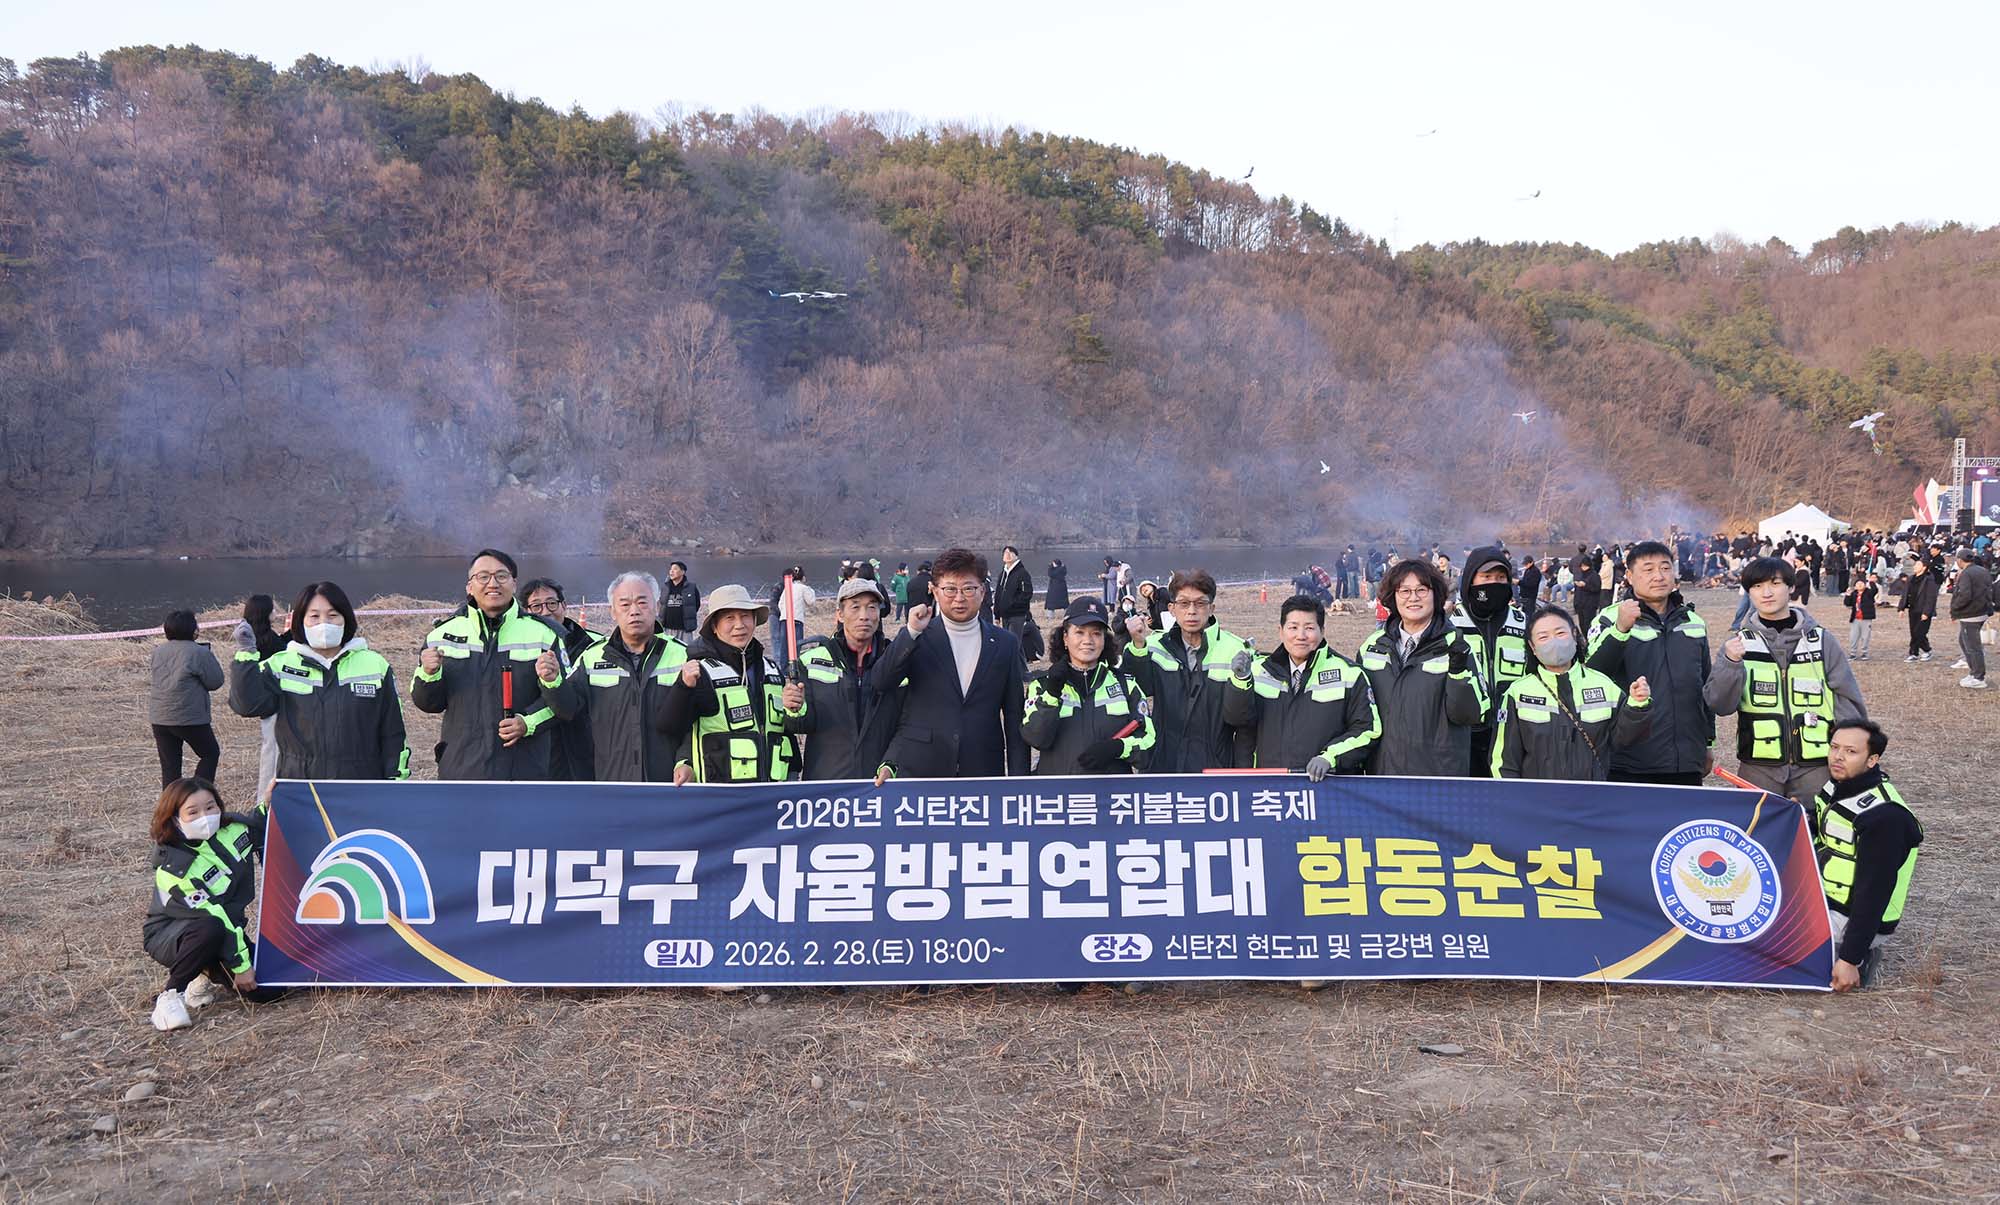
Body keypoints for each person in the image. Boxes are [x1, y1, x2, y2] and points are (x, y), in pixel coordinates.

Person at [1705, 557, 1866, 802]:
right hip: (1757, 769)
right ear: (1748, 592)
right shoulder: (1737, 644)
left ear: (1791, 587)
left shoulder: (1822, 641)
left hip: (1816, 769)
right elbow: (1720, 705)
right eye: (1757, 586)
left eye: (1775, 583)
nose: (1766, 593)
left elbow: (1848, 700)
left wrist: (1850, 756)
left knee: (1816, 834)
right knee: (1759, 833)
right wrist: (1731, 663)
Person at [869, 547, 1031, 782]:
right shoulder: (918, 638)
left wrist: (1019, 780)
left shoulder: (1005, 643)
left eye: (968, 588)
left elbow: (1015, 716)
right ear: (934, 591)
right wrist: (911, 631)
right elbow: (881, 681)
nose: (959, 598)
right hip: (922, 766)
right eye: (949, 589)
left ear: (983, 591)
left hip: (983, 766)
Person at [227, 581, 410, 781]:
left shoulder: (374, 665)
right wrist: (246, 655)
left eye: (333, 615)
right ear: (301, 622)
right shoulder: (280, 665)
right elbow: (247, 705)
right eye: (314, 616)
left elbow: (393, 731)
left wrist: (395, 782)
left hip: (361, 785)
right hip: (300, 786)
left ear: (346, 619)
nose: (324, 624)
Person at [410, 549, 566, 781]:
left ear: (514, 584)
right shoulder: (441, 635)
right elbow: (428, 703)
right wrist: (429, 674)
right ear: (469, 587)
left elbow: (567, 703)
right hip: (460, 772)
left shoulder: (545, 634)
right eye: (483, 577)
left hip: (524, 772)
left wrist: (527, 722)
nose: (492, 583)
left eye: (501, 576)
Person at [143, 778, 283, 1031]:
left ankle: (206, 968)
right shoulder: (173, 866)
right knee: (211, 928)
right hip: (173, 934)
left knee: (271, 990)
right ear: (175, 818)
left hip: (223, 930)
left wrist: (268, 803)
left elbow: (260, 825)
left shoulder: (232, 831)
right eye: (193, 812)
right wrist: (241, 966)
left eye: (210, 807)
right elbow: (214, 914)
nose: (205, 816)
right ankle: (171, 996)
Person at [537, 572, 690, 783]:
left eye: (642, 602)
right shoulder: (592, 658)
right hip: (612, 781)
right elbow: (568, 709)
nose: (634, 611)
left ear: (656, 606)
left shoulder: (683, 656)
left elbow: (698, 720)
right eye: (625, 605)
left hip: (670, 783)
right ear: (613, 612)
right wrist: (552, 681)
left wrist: (686, 760)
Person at [1583, 541, 1714, 786]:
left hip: (1685, 761)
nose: (1659, 576)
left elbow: (1704, 687)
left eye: (1665, 568)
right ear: (1630, 577)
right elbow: (1590, 677)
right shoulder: (1609, 619)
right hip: (1629, 761)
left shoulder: (1693, 622)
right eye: (1648, 569)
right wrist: (1621, 629)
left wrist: (1706, 743)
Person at [1811, 719, 1922, 991]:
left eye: (1850, 751)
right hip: (1826, 896)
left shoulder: (1885, 817)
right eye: (1834, 747)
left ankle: (1862, 957)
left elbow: (1873, 893)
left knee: (1772, 939)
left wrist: (1850, 958)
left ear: (1872, 760)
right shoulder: (1838, 785)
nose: (1838, 756)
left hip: (1853, 916)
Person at [1222, 594, 1378, 778]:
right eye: (1293, 627)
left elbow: (1368, 729)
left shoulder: (1349, 674)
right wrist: (1241, 680)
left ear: (1322, 630)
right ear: (1280, 631)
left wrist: (1330, 757)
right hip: (1269, 787)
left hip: (1326, 789)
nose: (1301, 636)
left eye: (1309, 628)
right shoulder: (1257, 672)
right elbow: (1237, 719)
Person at [663, 585, 805, 784]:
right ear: (714, 626)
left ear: (755, 620)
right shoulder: (699, 671)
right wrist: (683, 687)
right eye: (729, 618)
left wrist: (796, 709)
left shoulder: (773, 670)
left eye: (745, 616)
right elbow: (673, 727)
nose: (739, 625)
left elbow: (787, 731)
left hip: (774, 793)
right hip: (722, 796)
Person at [1356, 560, 1486, 776]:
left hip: (1437, 777)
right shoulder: (1371, 647)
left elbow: (1470, 715)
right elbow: (1358, 714)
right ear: (1393, 596)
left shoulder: (1456, 646)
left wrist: (1459, 672)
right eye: (1404, 591)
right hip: (1381, 774)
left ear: (1436, 595)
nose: (1413, 598)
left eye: (1422, 590)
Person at [1493, 607, 1651, 780]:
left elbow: (1623, 739)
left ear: (1574, 635)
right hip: (1537, 800)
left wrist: (1637, 704)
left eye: (1560, 633)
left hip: (1592, 796)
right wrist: (1509, 798)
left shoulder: (1604, 685)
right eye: (1543, 637)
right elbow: (1504, 759)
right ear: (1533, 647)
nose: (1554, 642)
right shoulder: (1517, 693)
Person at [1120, 569, 1253, 773]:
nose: (1192, 611)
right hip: (1164, 765)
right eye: (1184, 603)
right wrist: (1137, 644)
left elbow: (1240, 718)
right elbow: (1142, 688)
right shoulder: (1153, 645)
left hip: (1214, 767)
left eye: (1200, 603)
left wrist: (1242, 679)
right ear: (1171, 609)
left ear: (1211, 608)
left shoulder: (1235, 649)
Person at [786, 577, 905, 781]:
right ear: (840, 615)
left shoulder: (897, 661)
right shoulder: (811, 661)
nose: (864, 616)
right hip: (826, 785)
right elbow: (801, 726)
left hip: (880, 785)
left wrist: (892, 763)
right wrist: (795, 709)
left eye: (872, 608)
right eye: (855, 607)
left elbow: (907, 723)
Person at [1024, 597, 1157, 774]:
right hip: (1058, 796)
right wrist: (1052, 693)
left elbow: (1149, 743)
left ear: (1105, 640)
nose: (1088, 640)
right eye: (1079, 632)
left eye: (1096, 633)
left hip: (1113, 797)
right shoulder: (1040, 686)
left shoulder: (1126, 685)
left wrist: (1119, 747)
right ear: (1065, 637)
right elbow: (1036, 737)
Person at [1454, 547, 1530, 777]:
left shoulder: (1524, 622)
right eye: (1486, 578)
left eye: (1500, 578)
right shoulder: (1449, 624)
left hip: (1514, 733)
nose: (1494, 584)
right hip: (1463, 734)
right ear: (1470, 580)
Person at [520, 577, 597, 781]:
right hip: (539, 748)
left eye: (552, 603)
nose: (545, 611)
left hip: (586, 747)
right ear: (526, 611)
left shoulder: (592, 646)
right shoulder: (519, 650)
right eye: (536, 606)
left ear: (564, 605)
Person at [150, 609, 224, 787]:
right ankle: (198, 795)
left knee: (170, 769)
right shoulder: (199, 653)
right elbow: (215, 682)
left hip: (160, 718)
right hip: (189, 717)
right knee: (210, 754)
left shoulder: (158, 651)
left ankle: (170, 810)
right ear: (193, 630)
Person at [234, 594, 289, 806]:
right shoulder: (265, 639)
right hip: (275, 701)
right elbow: (280, 655)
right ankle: (264, 803)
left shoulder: (251, 634)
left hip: (267, 703)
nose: (276, 611)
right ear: (265, 612)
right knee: (272, 752)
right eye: (272, 608)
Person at [1948, 547, 1992, 688]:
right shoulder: (1983, 570)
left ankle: (1978, 677)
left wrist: (1955, 608)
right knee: (1964, 641)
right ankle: (1974, 672)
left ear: (1960, 560)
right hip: (1981, 611)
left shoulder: (1967, 574)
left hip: (1970, 614)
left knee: (1973, 646)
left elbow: (1965, 595)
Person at [1898, 554, 1938, 662]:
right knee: (1913, 632)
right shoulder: (1911, 579)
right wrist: (1901, 608)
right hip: (1913, 609)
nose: (1915, 566)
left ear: (1924, 567)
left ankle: (1927, 650)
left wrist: (1927, 612)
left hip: (1923, 610)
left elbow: (1931, 598)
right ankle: (1913, 653)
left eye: (1918, 565)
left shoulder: (1929, 580)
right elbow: (1905, 594)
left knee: (1919, 632)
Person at [994, 545, 1034, 639]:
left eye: (1010, 553)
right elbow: (998, 594)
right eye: (1005, 553)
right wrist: (997, 614)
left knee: (1014, 642)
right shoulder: (1003, 574)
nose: (1007, 555)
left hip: (1017, 614)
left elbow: (1027, 593)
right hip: (1004, 615)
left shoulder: (1022, 573)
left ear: (1016, 556)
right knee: (1011, 644)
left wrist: (1012, 604)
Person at [1842, 573, 1879, 661]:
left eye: (1861, 584)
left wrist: (1871, 581)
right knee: (1853, 636)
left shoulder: (1868, 593)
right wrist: (1847, 595)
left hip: (1866, 618)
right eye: (1857, 584)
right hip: (1855, 619)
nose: (1859, 585)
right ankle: (1853, 653)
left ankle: (1864, 653)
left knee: (1865, 636)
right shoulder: (1854, 594)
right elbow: (1847, 603)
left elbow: (1875, 590)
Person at [660, 561, 700, 641]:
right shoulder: (665, 587)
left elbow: (696, 604)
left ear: (682, 572)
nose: (671, 571)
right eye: (670, 569)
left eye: (675, 569)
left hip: (684, 629)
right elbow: (662, 604)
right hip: (668, 628)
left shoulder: (691, 587)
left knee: (685, 651)